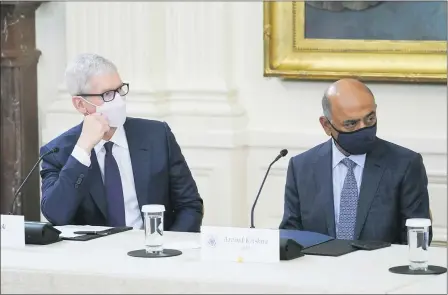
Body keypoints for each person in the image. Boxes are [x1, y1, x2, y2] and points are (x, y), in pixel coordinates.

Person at [40, 53, 203, 232]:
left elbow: (189, 205)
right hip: (93, 256)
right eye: (108, 94)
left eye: (119, 90)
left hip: (153, 252)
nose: (118, 100)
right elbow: (56, 215)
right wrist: (83, 149)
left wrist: (167, 248)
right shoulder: (57, 152)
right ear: (80, 104)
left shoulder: (157, 135)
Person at [279, 78, 432, 244]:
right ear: (326, 126)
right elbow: (291, 235)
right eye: (351, 123)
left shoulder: (406, 165)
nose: (363, 128)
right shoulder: (301, 167)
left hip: (381, 267)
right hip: (319, 267)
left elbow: (417, 239)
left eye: (370, 119)